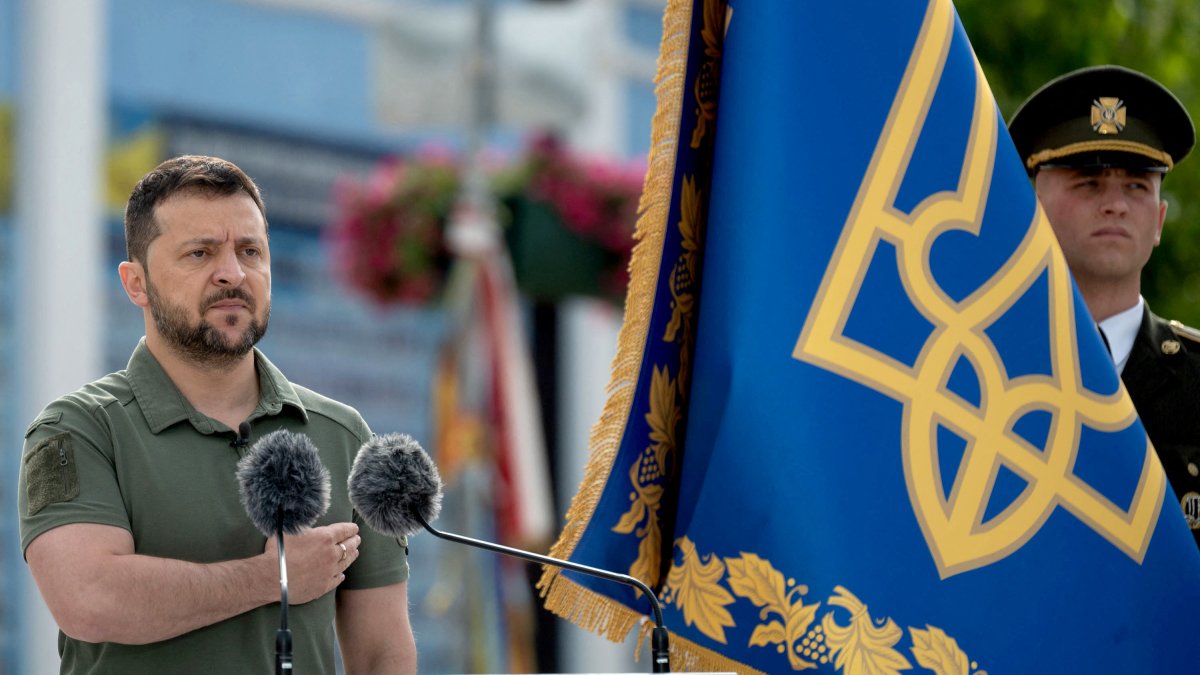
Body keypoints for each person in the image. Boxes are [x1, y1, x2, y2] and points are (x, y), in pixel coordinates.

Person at [17, 155, 417, 673]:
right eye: (200, 253)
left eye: (250, 251)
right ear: (136, 283)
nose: (232, 273)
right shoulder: (78, 431)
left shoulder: (342, 435)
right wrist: (272, 577)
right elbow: (91, 601)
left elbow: (383, 651)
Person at [1009, 65, 1200, 548]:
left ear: (1158, 221)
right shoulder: (984, 370)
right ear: (1032, 209)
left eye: (1136, 185)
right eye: (1088, 182)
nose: (1114, 203)